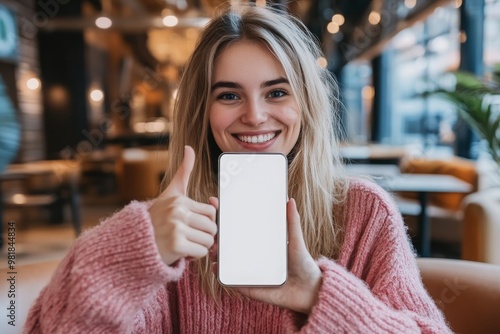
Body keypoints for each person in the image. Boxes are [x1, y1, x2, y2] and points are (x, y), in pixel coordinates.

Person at [25, 3, 452, 333]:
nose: (254, 115)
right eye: (229, 95)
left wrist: (319, 295)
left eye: (276, 92)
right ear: (203, 110)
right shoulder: (172, 232)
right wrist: (127, 253)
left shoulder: (362, 213)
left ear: (305, 105)